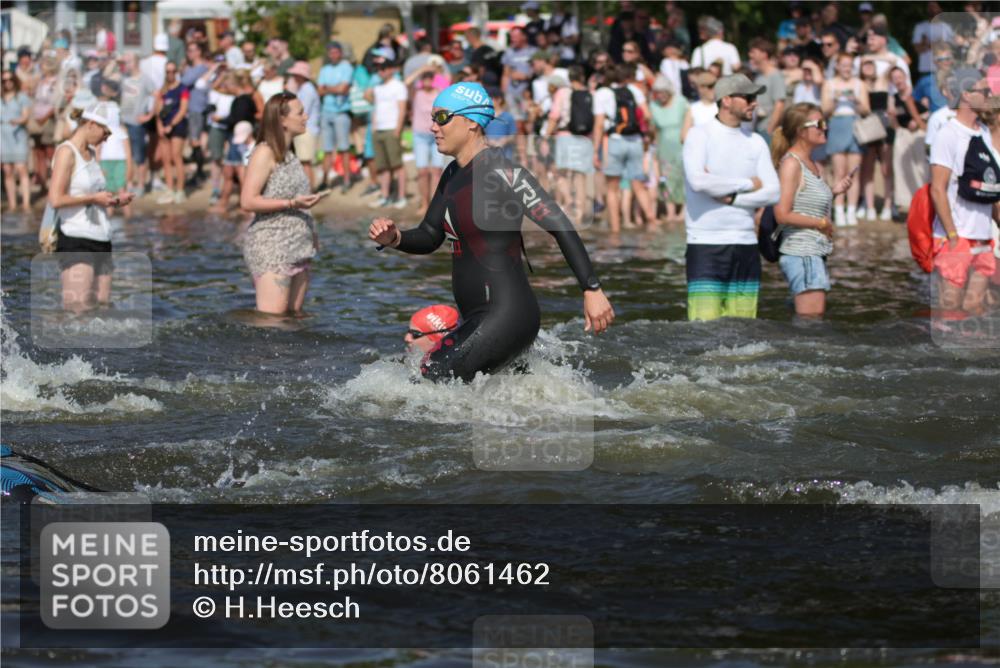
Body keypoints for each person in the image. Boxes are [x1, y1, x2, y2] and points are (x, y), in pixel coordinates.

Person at [367, 82, 614, 383]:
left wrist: (591, 289)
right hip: (478, 317)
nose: (432, 127)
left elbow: (559, 224)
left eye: (441, 117)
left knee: (431, 378)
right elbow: (431, 234)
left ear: (471, 122)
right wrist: (394, 238)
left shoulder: (501, 171)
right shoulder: (452, 174)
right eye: (432, 118)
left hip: (506, 315)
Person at [681, 74, 780, 321]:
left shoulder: (756, 141)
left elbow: (773, 192)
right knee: (703, 328)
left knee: (744, 330)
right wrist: (747, 184)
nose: (754, 103)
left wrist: (733, 199)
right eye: (748, 97)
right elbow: (698, 181)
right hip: (705, 242)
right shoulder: (699, 135)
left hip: (746, 243)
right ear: (726, 100)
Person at [240, 92, 323, 315]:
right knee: (273, 322)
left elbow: (300, 203)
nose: (306, 117)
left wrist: (313, 236)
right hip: (272, 246)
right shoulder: (264, 152)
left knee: (294, 319)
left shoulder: (290, 154)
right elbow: (247, 201)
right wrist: (291, 202)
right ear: (282, 120)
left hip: (299, 247)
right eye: (300, 113)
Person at [48, 102, 134, 313]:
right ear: (92, 125)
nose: (107, 138)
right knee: (77, 310)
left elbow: (92, 195)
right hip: (76, 238)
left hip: (102, 237)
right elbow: (55, 199)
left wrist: (113, 201)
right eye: (106, 132)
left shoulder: (92, 153)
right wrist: (94, 198)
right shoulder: (66, 152)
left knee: (103, 308)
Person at [771, 103, 853, 317]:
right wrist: (821, 223)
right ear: (800, 131)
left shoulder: (812, 163)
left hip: (813, 253)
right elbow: (782, 213)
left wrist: (833, 192)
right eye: (819, 124)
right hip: (802, 253)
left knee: (809, 324)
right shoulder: (792, 164)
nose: (825, 127)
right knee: (811, 326)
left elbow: (804, 201)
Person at [929, 69, 996, 315]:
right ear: (966, 94)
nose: (990, 95)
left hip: (982, 235)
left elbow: (990, 188)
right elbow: (938, 188)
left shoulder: (985, 133)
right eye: (984, 91)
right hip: (956, 235)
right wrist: (952, 235)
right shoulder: (948, 133)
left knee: (974, 307)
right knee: (950, 310)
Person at [592, 64, 656, 232]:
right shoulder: (634, 90)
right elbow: (647, 116)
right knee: (639, 185)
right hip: (635, 141)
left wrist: (595, 151)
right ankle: (653, 223)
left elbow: (599, 125)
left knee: (612, 189)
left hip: (614, 141)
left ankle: (615, 230)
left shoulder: (602, 94)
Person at [821, 52, 867, 226]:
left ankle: (852, 210)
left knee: (854, 172)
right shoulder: (829, 84)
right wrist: (836, 98)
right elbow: (824, 110)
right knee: (839, 171)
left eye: (849, 65)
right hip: (837, 124)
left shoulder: (859, 84)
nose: (847, 68)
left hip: (855, 125)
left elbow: (866, 110)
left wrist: (855, 100)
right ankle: (839, 209)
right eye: (844, 65)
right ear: (837, 66)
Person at [549, 66, 594, 226]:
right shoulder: (589, 93)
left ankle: (568, 202)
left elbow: (554, 115)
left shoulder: (563, 93)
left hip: (565, 136)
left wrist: (546, 136)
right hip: (584, 138)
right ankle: (580, 215)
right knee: (579, 177)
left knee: (560, 172)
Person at [366, 59, 408, 209]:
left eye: (383, 68)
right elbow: (372, 103)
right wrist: (374, 127)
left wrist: (398, 129)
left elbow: (402, 109)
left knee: (397, 165)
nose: (380, 71)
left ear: (391, 69)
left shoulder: (398, 86)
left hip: (391, 129)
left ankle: (401, 196)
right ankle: (385, 195)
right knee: (383, 167)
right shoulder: (377, 87)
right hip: (378, 130)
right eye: (378, 68)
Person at [650, 75, 690, 222]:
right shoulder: (653, 105)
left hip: (681, 145)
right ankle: (670, 212)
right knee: (666, 179)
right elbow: (654, 129)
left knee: (683, 178)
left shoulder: (681, 102)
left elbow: (689, 121)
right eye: (657, 93)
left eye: (662, 92)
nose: (660, 96)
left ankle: (684, 212)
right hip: (664, 147)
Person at [889, 66, 928, 214]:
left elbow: (927, 111)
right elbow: (894, 124)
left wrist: (917, 121)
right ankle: (909, 203)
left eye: (900, 76)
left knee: (921, 168)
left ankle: (924, 202)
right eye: (894, 78)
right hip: (903, 134)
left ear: (905, 76)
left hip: (919, 133)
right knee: (903, 168)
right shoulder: (893, 98)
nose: (898, 80)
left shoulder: (916, 93)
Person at [317, 42, 355, 193]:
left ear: (340, 53)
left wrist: (328, 88)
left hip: (341, 112)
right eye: (331, 52)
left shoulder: (346, 67)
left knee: (344, 148)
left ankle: (346, 179)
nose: (333, 55)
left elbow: (344, 89)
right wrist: (335, 89)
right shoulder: (324, 69)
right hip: (326, 111)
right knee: (327, 149)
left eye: (336, 52)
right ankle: (325, 180)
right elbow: (320, 90)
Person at [410, 70, 447, 216]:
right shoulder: (416, 92)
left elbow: (448, 81)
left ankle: (434, 205)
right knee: (422, 171)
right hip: (420, 135)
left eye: (429, 78)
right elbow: (407, 82)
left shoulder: (439, 93)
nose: (426, 80)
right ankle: (424, 203)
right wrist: (423, 68)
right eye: (423, 78)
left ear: (433, 79)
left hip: (436, 134)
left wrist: (437, 68)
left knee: (437, 171)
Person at [119, 52, 155, 196]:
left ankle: (141, 184)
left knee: (139, 156)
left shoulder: (145, 79)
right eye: (125, 62)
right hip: (124, 122)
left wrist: (149, 116)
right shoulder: (125, 78)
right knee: (128, 155)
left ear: (137, 62)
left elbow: (157, 96)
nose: (126, 65)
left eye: (129, 62)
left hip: (137, 123)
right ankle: (130, 182)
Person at [154, 60, 190, 204]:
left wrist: (171, 125)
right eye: (168, 72)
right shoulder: (163, 90)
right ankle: (169, 189)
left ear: (176, 73)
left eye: (173, 71)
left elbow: (183, 109)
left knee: (176, 157)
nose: (170, 74)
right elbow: (158, 110)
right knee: (166, 159)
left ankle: (180, 190)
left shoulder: (183, 89)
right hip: (164, 126)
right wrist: (159, 126)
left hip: (177, 126)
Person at [286, 61, 321, 192]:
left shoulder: (307, 89)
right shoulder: (305, 88)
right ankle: (309, 189)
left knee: (305, 162)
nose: (293, 77)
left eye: (295, 74)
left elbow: (302, 111)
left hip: (307, 130)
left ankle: (309, 190)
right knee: (304, 161)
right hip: (306, 129)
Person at [2, 71, 32, 211]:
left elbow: (26, 116)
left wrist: (17, 120)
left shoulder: (22, 97)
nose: (7, 82)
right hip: (3, 137)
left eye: (10, 79)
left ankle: (26, 203)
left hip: (18, 135)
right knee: (7, 170)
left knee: (21, 169)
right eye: (4, 80)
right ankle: (12, 204)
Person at [748, 38, 786, 143]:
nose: (750, 55)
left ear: (764, 54)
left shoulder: (775, 75)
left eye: (753, 52)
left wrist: (770, 128)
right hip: (757, 127)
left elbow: (780, 104)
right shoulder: (758, 76)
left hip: (768, 129)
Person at [212, 120, 253, 214]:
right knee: (228, 174)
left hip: (249, 173)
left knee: (243, 178)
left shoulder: (254, 147)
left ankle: (244, 205)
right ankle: (224, 203)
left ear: (250, 134)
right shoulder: (239, 146)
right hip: (241, 166)